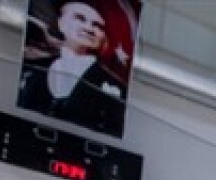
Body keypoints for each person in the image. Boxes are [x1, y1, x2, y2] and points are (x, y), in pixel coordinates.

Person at [17, 0, 131, 136]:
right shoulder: (30, 69)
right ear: (61, 23)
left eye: (97, 26)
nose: (89, 29)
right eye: (80, 18)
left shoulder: (118, 90)